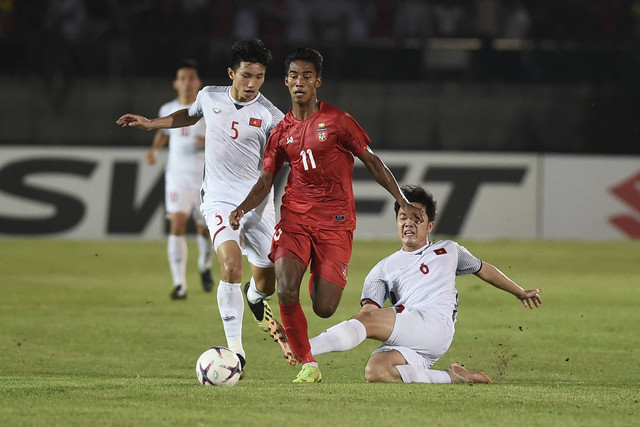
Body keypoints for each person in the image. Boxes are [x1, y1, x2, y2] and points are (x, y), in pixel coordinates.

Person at [229, 48, 425, 383]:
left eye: (307, 76)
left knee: (324, 307)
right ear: (286, 81)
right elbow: (266, 179)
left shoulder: (338, 121)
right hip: (294, 218)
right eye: (293, 76)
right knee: (286, 287)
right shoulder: (280, 132)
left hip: (336, 223)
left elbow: (372, 161)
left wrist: (402, 199)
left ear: (318, 81)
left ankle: (310, 283)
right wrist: (242, 208)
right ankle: (309, 363)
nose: (299, 82)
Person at [117, 39, 285, 372]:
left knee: (268, 281)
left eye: (260, 77)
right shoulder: (209, 96)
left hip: (258, 203)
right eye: (246, 75)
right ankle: (236, 352)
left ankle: (254, 296)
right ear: (231, 73)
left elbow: (281, 162)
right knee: (232, 265)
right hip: (219, 198)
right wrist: (153, 122)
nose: (252, 84)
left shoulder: (271, 115)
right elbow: (189, 115)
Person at [307, 184, 543, 383]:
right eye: (403, 217)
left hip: (435, 325)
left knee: (366, 325)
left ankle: (304, 348)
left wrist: (519, 291)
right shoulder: (382, 269)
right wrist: (365, 321)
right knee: (376, 370)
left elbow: (483, 269)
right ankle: (452, 376)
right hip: (413, 337)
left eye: (416, 218)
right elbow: (369, 312)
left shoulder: (449, 250)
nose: (408, 223)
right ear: (397, 223)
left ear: (429, 226)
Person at [143, 59, 214, 300]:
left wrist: (208, 143)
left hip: (205, 181)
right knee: (176, 225)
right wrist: (154, 151)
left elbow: (223, 139)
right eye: (182, 78)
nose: (187, 83)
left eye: (191, 78)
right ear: (176, 83)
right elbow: (163, 134)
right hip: (177, 178)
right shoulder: (167, 109)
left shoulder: (208, 110)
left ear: (198, 83)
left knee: (205, 231)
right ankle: (179, 284)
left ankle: (204, 265)